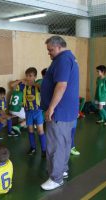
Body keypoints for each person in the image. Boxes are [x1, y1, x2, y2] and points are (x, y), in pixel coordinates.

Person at [40, 36, 79, 190]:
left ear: (58, 47)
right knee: (63, 143)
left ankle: (56, 178)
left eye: (50, 50)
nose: (49, 53)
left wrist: (51, 108)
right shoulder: (69, 58)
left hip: (59, 112)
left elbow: (61, 86)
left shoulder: (63, 59)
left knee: (55, 145)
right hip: (66, 111)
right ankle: (62, 171)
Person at [10, 67, 46, 157]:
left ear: (35, 77)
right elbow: (12, 85)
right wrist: (21, 80)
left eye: (30, 76)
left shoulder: (38, 85)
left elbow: (44, 89)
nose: (28, 78)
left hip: (37, 112)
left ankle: (44, 150)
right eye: (27, 76)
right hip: (28, 112)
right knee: (30, 130)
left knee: (40, 131)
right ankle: (33, 148)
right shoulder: (24, 86)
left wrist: (34, 84)